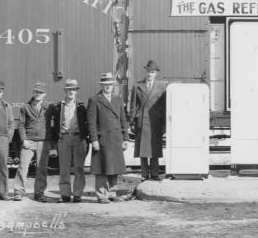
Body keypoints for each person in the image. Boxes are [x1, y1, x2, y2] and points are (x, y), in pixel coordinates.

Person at [87, 73, 129, 203]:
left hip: (116, 138)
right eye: (105, 85)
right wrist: (94, 139)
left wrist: (125, 138)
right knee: (102, 168)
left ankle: (112, 193)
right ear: (102, 85)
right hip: (102, 140)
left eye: (110, 85)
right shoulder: (94, 100)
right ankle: (102, 195)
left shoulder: (117, 99)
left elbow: (123, 119)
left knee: (114, 167)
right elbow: (91, 122)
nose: (108, 87)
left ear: (113, 86)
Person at [45, 79, 89, 203]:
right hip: (64, 138)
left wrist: (87, 139)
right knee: (64, 168)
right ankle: (65, 194)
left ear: (76, 91)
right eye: (69, 89)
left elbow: (88, 123)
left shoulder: (82, 106)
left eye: (73, 89)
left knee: (79, 168)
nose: (71, 91)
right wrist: (54, 141)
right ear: (65, 90)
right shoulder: (58, 106)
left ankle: (77, 194)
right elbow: (53, 125)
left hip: (78, 138)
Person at [129, 60, 167, 180]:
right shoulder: (137, 86)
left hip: (156, 121)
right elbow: (133, 106)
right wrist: (131, 122)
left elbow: (165, 106)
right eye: (149, 71)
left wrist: (165, 124)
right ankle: (144, 174)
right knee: (143, 149)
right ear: (146, 72)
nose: (150, 74)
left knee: (155, 147)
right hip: (142, 120)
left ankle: (155, 173)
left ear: (156, 73)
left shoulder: (162, 86)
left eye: (152, 72)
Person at [14, 82, 51, 201]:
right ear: (33, 92)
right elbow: (21, 125)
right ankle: (18, 192)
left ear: (45, 94)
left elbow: (56, 122)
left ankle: (39, 193)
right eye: (36, 92)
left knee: (41, 168)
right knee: (23, 167)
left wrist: (52, 138)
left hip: (43, 141)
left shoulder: (50, 107)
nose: (38, 94)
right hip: (29, 141)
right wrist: (23, 140)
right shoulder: (26, 107)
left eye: (40, 92)